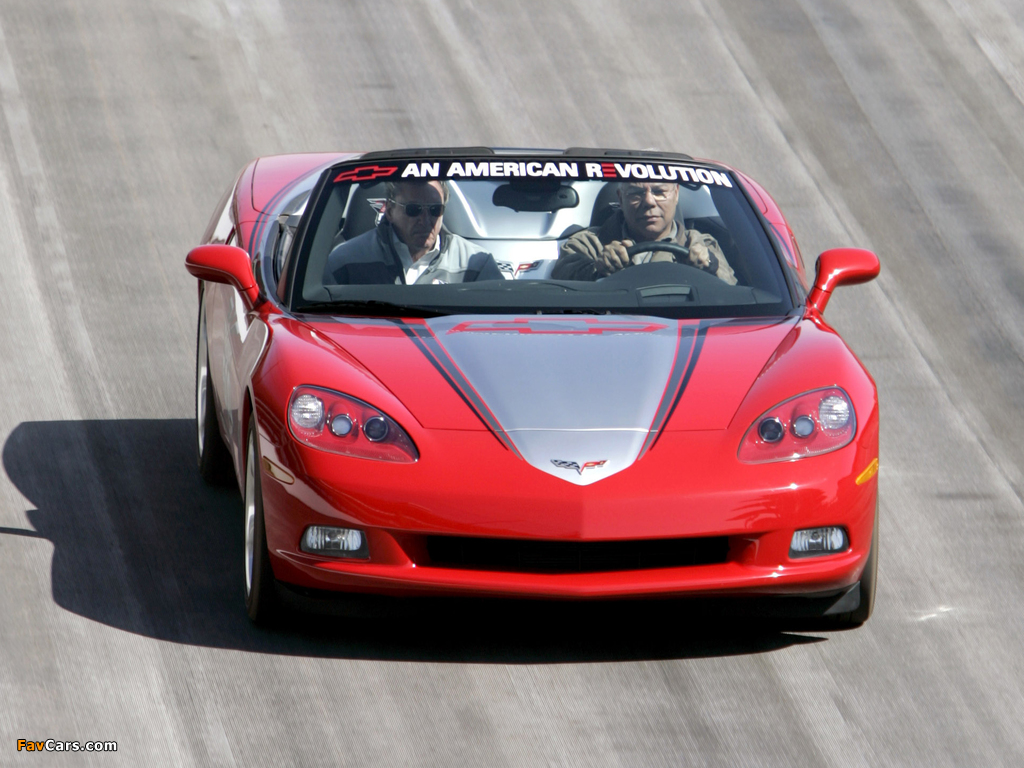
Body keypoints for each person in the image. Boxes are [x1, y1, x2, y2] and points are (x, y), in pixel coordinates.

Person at [551, 181, 737, 284]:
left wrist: (709, 268)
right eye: (636, 193)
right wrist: (597, 268)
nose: (648, 201)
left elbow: (733, 292)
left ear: (676, 194)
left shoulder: (701, 244)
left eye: (659, 191)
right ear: (620, 198)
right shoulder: (588, 244)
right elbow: (561, 282)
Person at [324, 179, 503, 285]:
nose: (425, 220)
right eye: (414, 209)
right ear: (390, 211)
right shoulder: (345, 262)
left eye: (435, 210)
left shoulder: (477, 264)